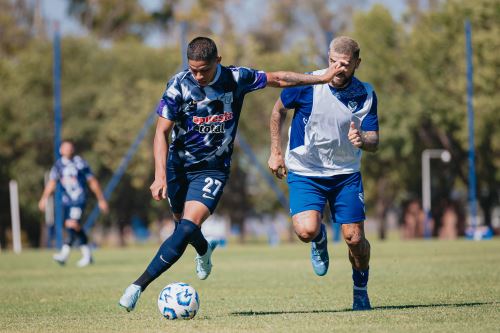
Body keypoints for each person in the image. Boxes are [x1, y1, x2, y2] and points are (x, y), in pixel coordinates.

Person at [118, 36, 347, 312]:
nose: (199, 76)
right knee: (183, 228)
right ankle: (204, 250)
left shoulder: (236, 78)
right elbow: (161, 132)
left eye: (204, 69)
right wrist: (159, 175)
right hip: (177, 167)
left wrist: (321, 78)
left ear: (218, 61)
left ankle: (137, 286)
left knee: (188, 227)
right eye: (194, 70)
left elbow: (278, 78)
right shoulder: (178, 85)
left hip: (213, 168)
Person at [267, 36, 379, 311]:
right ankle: (319, 239)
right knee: (305, 231)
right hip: (306, 170)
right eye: (332, 62)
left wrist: (363, 139)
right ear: (327, 58)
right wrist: (275, 150)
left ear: (356, 64)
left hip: (345, 173)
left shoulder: (365, 93)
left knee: (354, 239)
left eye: (344, 64)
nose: (337, 69)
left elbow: (375, 139)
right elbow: (278, 111)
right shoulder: (307, 84)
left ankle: (360, 290)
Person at [38, 140, 109, 267]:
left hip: (79, 199)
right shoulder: (59, 165)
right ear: (61, 150)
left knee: (72, 224)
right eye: (65, 148)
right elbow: (52, 183)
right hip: (66, 201)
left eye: (70, 147)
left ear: (73, 149)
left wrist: (101, 199)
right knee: (74, 227)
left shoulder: (80, 163)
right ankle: (87, 256)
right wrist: (44, 198)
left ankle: (64, 254)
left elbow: (92, 182)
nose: (67, 150)